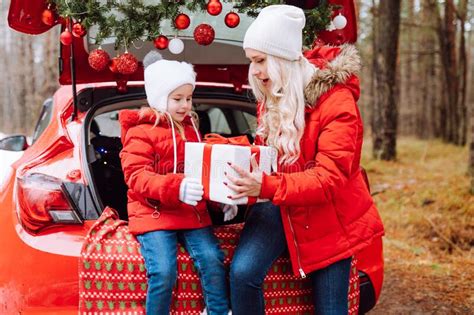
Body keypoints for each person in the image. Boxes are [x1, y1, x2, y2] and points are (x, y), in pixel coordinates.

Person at [225, 5, 385, 315]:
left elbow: (329, 178)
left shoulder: (337, 103)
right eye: (251, 62)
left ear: (283, 60)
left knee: (331, 308)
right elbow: (266, 156)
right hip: (279, 203)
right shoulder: (273, 94)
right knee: (243, 273)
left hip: (330, 215)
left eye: (260, 61)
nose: (255, 71)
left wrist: (266, 185)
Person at [119, 52, 236, 315]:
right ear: (161, 99)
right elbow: (136, 177)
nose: (185, 105)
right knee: (163, 269)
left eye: (188, 98)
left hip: (190, 212)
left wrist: (219, 200)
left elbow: (203, 172)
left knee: (212, 258)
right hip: (154, 213)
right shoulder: (140, 132)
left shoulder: (192, 128)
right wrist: (177, 187)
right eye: (177, 99)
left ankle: (218, 311)